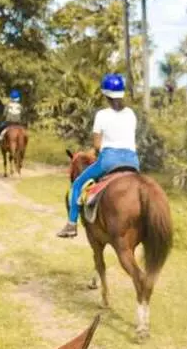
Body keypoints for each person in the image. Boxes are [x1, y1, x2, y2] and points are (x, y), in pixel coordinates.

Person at [56, 74, 140, 238]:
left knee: (78, 185)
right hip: (132, 160)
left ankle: (71, 225)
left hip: (109, 160)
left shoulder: (102, 115)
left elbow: (97, 145)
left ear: (105, 94)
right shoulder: (131, 113)